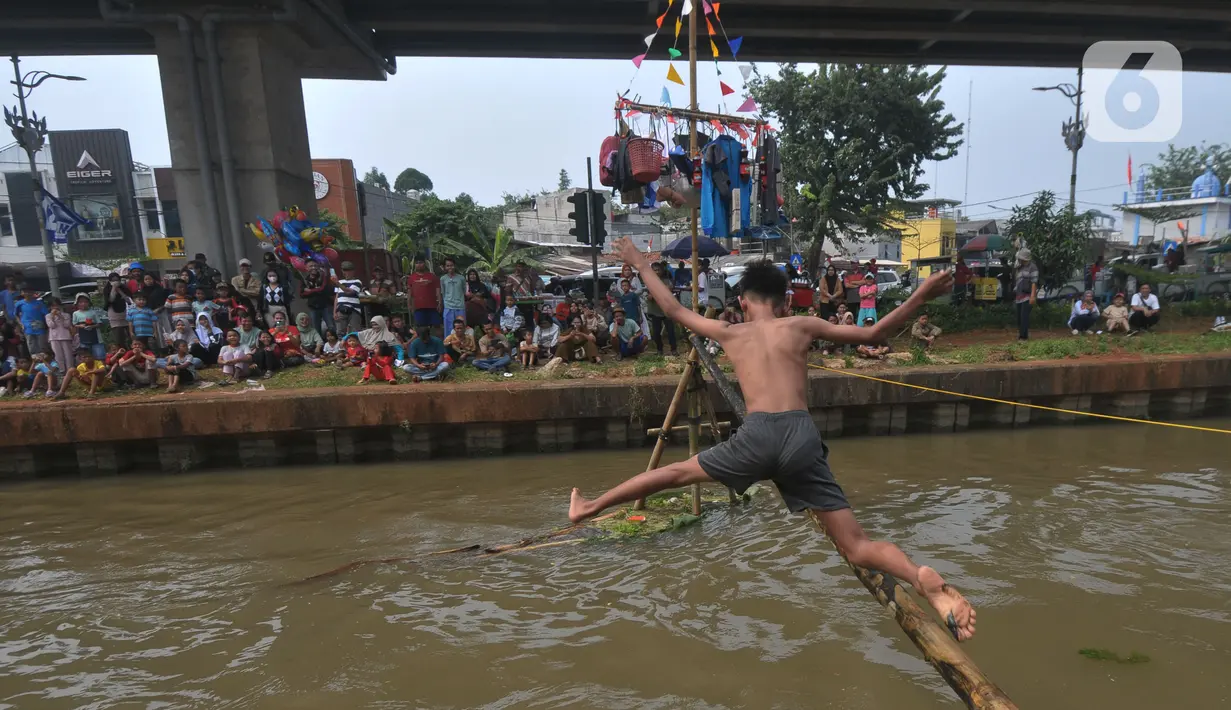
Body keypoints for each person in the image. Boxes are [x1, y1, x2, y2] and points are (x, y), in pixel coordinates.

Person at [566, 239, 975, 643]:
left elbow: (671, 309)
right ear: (783, 305)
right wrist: (920, 293)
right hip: (801, 436)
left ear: (743, 302)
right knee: (857, 545)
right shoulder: (802, 325)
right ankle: (919, 578)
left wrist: (639, 261)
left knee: (674, 473)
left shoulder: (729, 331)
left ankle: (589, 506)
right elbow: (875, 333)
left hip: (757, 435)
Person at [407, 256, 442, 336]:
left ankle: (440, 344)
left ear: (425, 264)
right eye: (417, 263)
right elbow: (409, 293)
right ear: (414, 265)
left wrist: (440, 303)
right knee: (420, 328)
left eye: (421, 263)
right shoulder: (411, 278)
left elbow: (438, 291)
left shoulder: (433, 277)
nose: (419, 265)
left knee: (437, 326)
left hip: (432, 306)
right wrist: (409, 305)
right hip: (418, 307)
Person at [300, 260, 334, 335]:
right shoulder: (305, 280)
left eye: (315, 266)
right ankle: (320, 345)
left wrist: (310, 291)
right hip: (313, 307)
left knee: (331, 327)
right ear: (306, 268)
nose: (314, 268)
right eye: (311, 266)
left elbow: (323, 289)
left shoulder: (323, 277)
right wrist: (315, 291)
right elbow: (302, 294)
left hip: (326, 306)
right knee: (316, 329)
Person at [15, 285, 50, 357]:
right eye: (25, 292)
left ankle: (45, 364)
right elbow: (15, 315)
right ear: (22, 293)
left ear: (33, 292)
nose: (27, 293)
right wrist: (20, 324)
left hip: (39, 327)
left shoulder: (39, 303)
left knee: (42, 347)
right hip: (27, 328)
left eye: (29, 291)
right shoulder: (19, 304)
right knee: (32, 347)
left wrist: (48, 327)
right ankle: (35, 364)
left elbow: (46, 315)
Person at [1013, 248, 1039, 340]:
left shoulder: (1033, 267)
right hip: (1019, 295)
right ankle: (1023, 335)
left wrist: (1032, 296)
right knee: (1019, 317)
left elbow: (1034, 282)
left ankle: (1023, 337)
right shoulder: (1020, 267)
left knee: (1024, 317)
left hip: (1027, 295)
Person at [70, 294, 106, 360]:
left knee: (99, 356)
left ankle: (101, 368)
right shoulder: (75, 313)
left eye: (85, 302)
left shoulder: (93, 312)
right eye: (80, 302)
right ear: (77, 303)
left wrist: (92, 326)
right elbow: (74, 324)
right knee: (86, 357)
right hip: (83, 338)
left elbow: (99, 323)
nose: (83, 304)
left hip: (96, 338)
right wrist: (80, 326)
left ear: (89, 303)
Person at [334, 261, 365, 337]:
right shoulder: (340, 281)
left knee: (355, 332)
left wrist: (337, 283)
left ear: (352, 271)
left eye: (348, 270)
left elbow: (349, 292)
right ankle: (342, 347)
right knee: (340, 333)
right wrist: (334, 312)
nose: (345, 272)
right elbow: (336, 297)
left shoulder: (357, 282)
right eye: (344, 270)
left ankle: (355, 348)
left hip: (354, 310)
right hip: (340, 309)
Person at [44, 298, 74, 373]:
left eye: (57, 305)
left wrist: (61, 316)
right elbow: (51, 325)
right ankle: (61, 370)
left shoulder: (66, 315)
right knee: (58, 355)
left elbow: (67, 325)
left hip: (65, 336)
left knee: (68, 355)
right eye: (53, 306)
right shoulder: (48, 316)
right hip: (54, 338)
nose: (55, 307)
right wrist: (53, 317)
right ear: (50, 307)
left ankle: (70, 370)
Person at [102, 273, 131, 347]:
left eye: (117, 280)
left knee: (131, 335)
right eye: (113, 280)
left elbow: (129, 300)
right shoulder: (107, 289)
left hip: (126, 314)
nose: (115, 282)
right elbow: (110, 300)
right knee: (119, 339)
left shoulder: (124, 288)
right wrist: (113, 289)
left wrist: (119, 290)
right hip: (114, 316)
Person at [440, 257, 467, 330]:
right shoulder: (443, 279)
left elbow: (464, 291)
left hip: (459, 307)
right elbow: (443, 292)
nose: (450, 267)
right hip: (448, 307)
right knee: (448, 328)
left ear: (454, 266)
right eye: (447, 266)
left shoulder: (461, 278)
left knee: (460, 328)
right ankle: (448, 341)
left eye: (451, 265)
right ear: (445, 267)